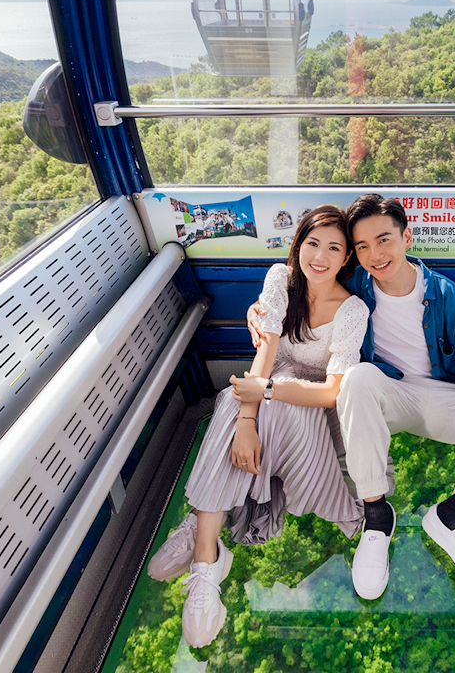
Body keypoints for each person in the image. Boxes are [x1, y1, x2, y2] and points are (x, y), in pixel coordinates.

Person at [247, 194, 455, 600]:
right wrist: (260, 309)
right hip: (384, 398)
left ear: (407, 236)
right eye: (362, 247)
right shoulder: (355, 286)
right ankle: (376, 518)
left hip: (440, 399)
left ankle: (454, 515)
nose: (375, 254)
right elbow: (305, 284)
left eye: (384, 239)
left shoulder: (446, 295)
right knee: (357, 378)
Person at [147, 205, 369, 647]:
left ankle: (202, 522)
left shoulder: (352, 310)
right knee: (233, 398)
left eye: (333, 248)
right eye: (312, 244)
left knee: (241, 395)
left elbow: (330, 393)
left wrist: (261, 394)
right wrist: (248, 414)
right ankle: (207, 560)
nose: (319, 257)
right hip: (269, 389)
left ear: (346, 258)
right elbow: (265, 353)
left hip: (312, 407)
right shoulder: (279, 279)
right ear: (298, 244)